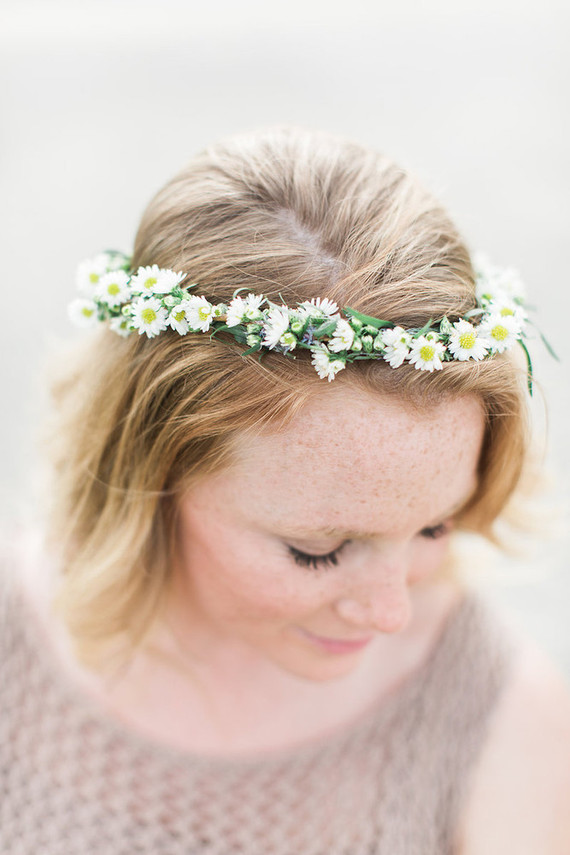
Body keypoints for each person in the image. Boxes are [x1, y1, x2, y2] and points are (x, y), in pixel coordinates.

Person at [1, 127, 569, 854]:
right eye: (319, 551)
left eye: (435, 525)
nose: (392, 610)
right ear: (152, 472)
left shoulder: (500, 723)